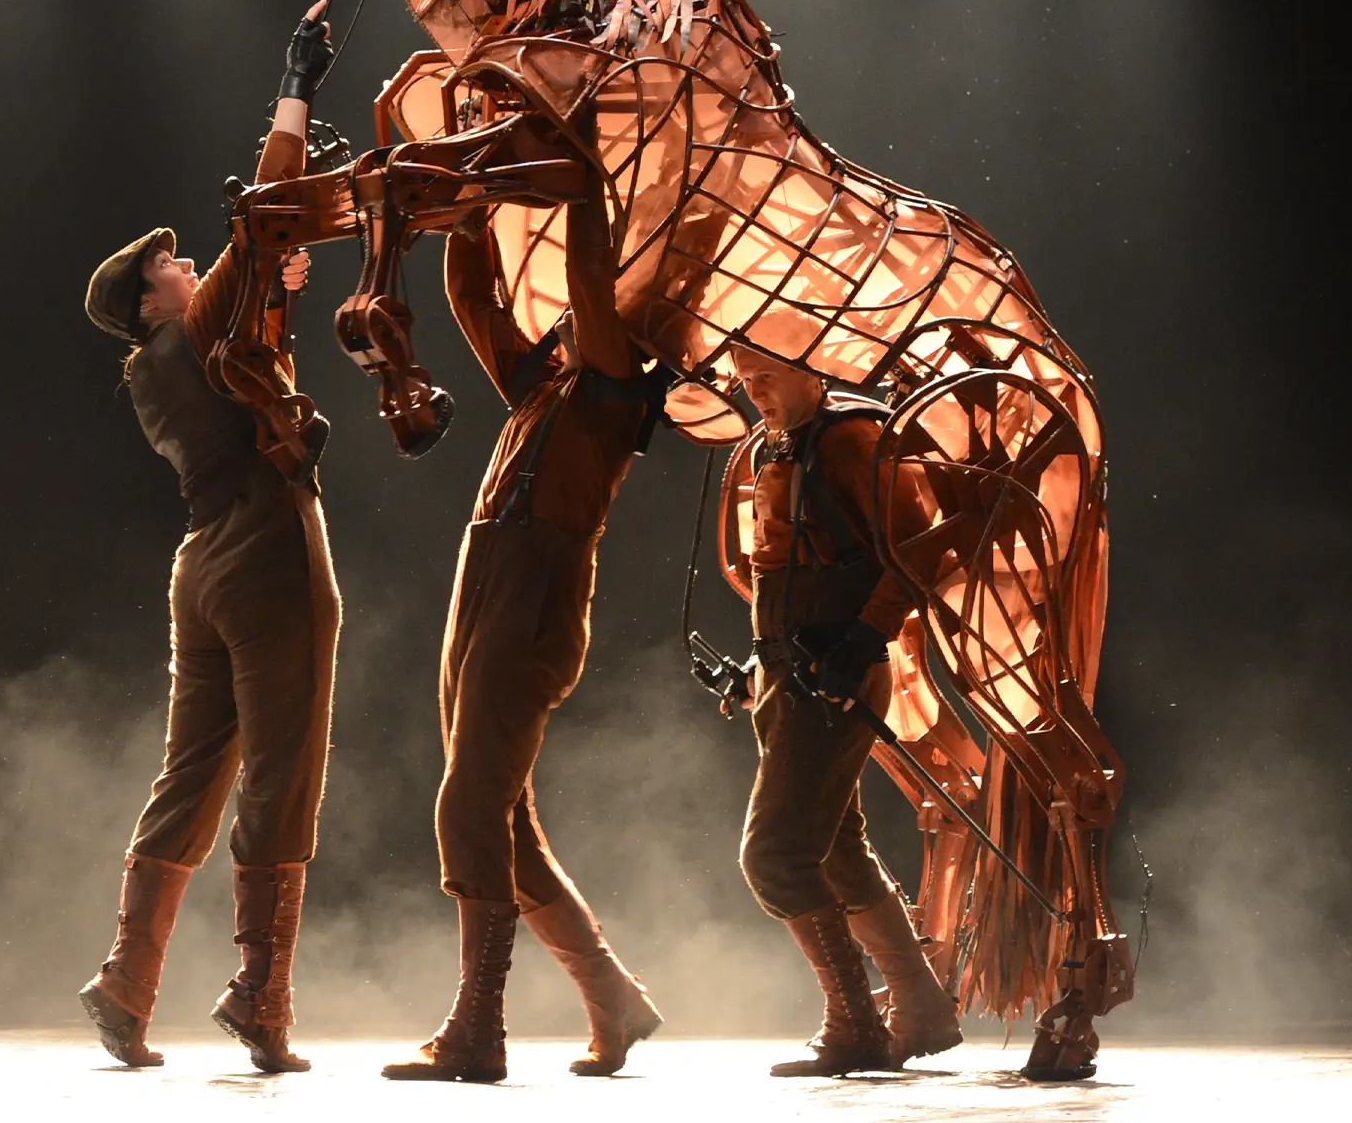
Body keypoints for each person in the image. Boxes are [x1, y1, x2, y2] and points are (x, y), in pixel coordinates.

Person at [75, 13, 343, 1075]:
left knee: (190, 771)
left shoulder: (155, 366)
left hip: (201, 563)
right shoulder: (191, 326)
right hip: (270, 547)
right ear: (151, 300)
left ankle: (125, 984)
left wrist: (268, 308)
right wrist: (292, 86)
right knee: (285, 767)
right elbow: (269, 212)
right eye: (169, 263)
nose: (185, 260)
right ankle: (260, 996)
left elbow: (255, 299)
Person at [380, 196, 666, 1083]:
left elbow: (588, 280)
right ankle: (613, 1000)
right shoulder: (546, 389)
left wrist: (579, 186)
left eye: (586, 314)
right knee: (506, 826)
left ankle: (477, 1028)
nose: (565, 320)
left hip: (533, 597)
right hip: (488, 589)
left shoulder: (616, 384)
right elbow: (474, 301)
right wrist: (466, 212)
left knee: (469, 810)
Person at [723, 340, 964, 1077]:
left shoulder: (852, 438)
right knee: (835, 849)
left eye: (766, 377)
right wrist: (757, 661)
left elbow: (923, 545)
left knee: (775, 857)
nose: (754, 392)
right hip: (789, 672)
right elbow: (779, 564)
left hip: (835, 672)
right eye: (744, 381)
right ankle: (920, 1011)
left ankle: (856, 1022)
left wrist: (865, 635)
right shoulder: (778, 445)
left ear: (810, 368)